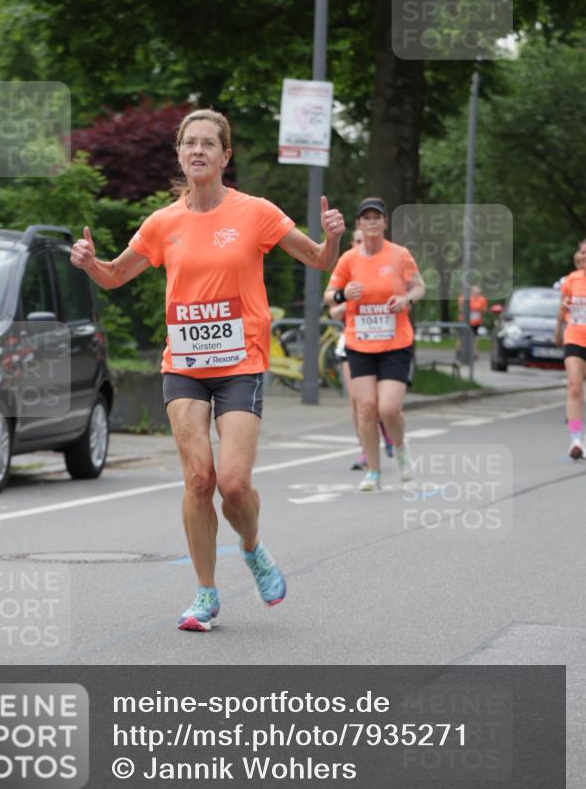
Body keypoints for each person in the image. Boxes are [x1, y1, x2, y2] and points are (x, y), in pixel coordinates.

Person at [70, 108, 345, 630]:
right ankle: (205, 593)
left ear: (225, 155)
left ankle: (252, 546)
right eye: (189, 143)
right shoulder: (163, 223)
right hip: (186, 364)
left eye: (208, 144)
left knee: (234, 485)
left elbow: (317, 260)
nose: (198, 151)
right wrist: (89, 263)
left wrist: (331, 237)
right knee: (199, 478)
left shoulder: (257, 212)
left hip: (241, 362)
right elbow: (113, 277)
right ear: (179, 154)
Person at [323, 197, 425, 491]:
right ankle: (374, 470)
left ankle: (402, 449)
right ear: (359, 224)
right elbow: (330, 295)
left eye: (376, 217)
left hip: (395, 342)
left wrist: (405, 299)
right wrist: (344, 295)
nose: (371, 222)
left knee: (389, 408)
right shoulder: (349, 259)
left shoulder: (399, 255)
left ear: (384, 223)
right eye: (365, 218)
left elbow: (419, 286)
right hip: (360, 343)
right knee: (366, 408)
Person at [329, 229, 393, 470]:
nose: (360, 244)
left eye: (362, 240)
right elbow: (333, 309)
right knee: (358, 402)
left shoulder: (383, 266)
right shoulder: (347, 268)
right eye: (355, 241)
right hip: (351, 342)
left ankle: (386, 431)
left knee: (377, 401)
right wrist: (345, 300)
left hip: (382, 343)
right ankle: (366, 451)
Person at [555, 239, 586, 460]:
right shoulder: (571, 280)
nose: (584, 256)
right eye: (583, 252)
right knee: (574, 386)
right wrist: (557, 331)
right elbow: (563, 307)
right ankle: (576, 440)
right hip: (574, 337)